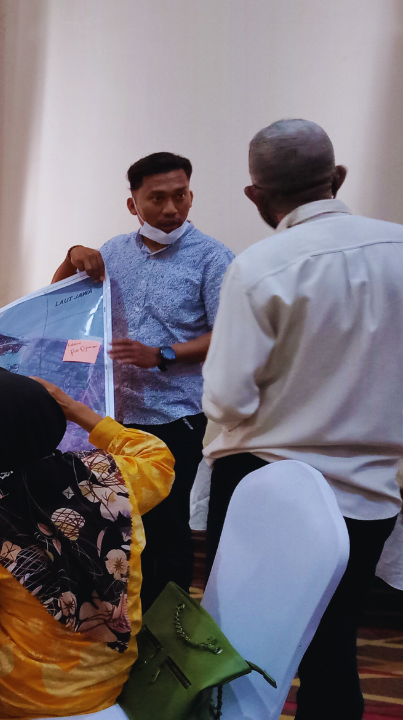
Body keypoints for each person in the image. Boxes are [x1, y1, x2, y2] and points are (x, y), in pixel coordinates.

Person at [202, 118, 403, 720]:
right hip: (370, 491)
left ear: (255, 196)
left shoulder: (262, 266)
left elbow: (227, 401)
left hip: (269, 487)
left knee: (237, 644)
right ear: (338, 177)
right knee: (334, 644)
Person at [51, 152, 234, 609]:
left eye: (181, 196)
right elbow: (57, 297)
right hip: (111, 416)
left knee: (166, 528)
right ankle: (114, 618)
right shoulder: (112, 251)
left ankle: (163, 632)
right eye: (157, 198)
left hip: (175, 418)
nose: (172, 208)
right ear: (133, 204)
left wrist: (164, 355)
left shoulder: (213, 258)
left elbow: (231, 331)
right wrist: (71, 255)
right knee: (109, 520)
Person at [0, 366, 174, 719]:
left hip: (13, 697)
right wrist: (74, 408)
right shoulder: (112, 478)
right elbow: (158, 457)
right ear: (53, 418)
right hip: (108, 683)